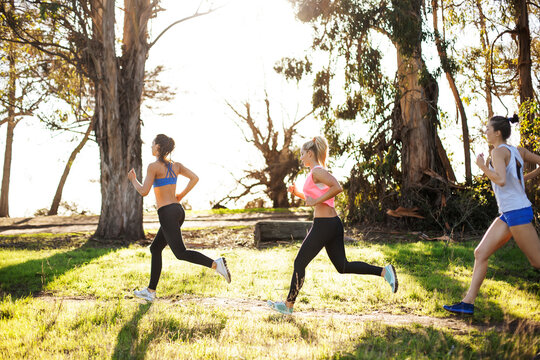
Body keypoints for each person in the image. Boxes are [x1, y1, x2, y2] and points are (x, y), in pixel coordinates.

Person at [267, 136, 398, 315]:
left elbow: (337, 187)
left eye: (303, 154)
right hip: (331, 224)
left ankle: (288, 305)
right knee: (342, 266)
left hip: (324, 225)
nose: (301, 157)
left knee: (299, 262)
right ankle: (385, 272)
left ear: (310, 153)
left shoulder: (317, 172)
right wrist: (298, 193)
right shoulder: (314, 173)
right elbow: (316, 198)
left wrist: (315, 201)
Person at [443, 115, 540, 315]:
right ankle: (467, 303)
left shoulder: (497, 153)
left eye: (488, 128)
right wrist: (522, 179)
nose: (485, 131)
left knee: (537, 261)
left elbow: (502, 180)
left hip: (516, 212)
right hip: (508, 212)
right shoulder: (516, 150)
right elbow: (514, 176)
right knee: (480, 253)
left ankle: (468, 303)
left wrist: (482, 167)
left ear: (497, 132)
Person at [128, 134, 231, 302]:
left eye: (153, 144)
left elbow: (144, 191)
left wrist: (133, 180)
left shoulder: (153, 167)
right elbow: (194, 178)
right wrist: (181, 195)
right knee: (155, 249)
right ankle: (150, 291)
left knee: (180, 253)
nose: (151, 147)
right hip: (178, 210)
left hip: (167, 213)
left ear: (159, 147)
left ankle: (216, 264)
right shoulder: (176, 166)